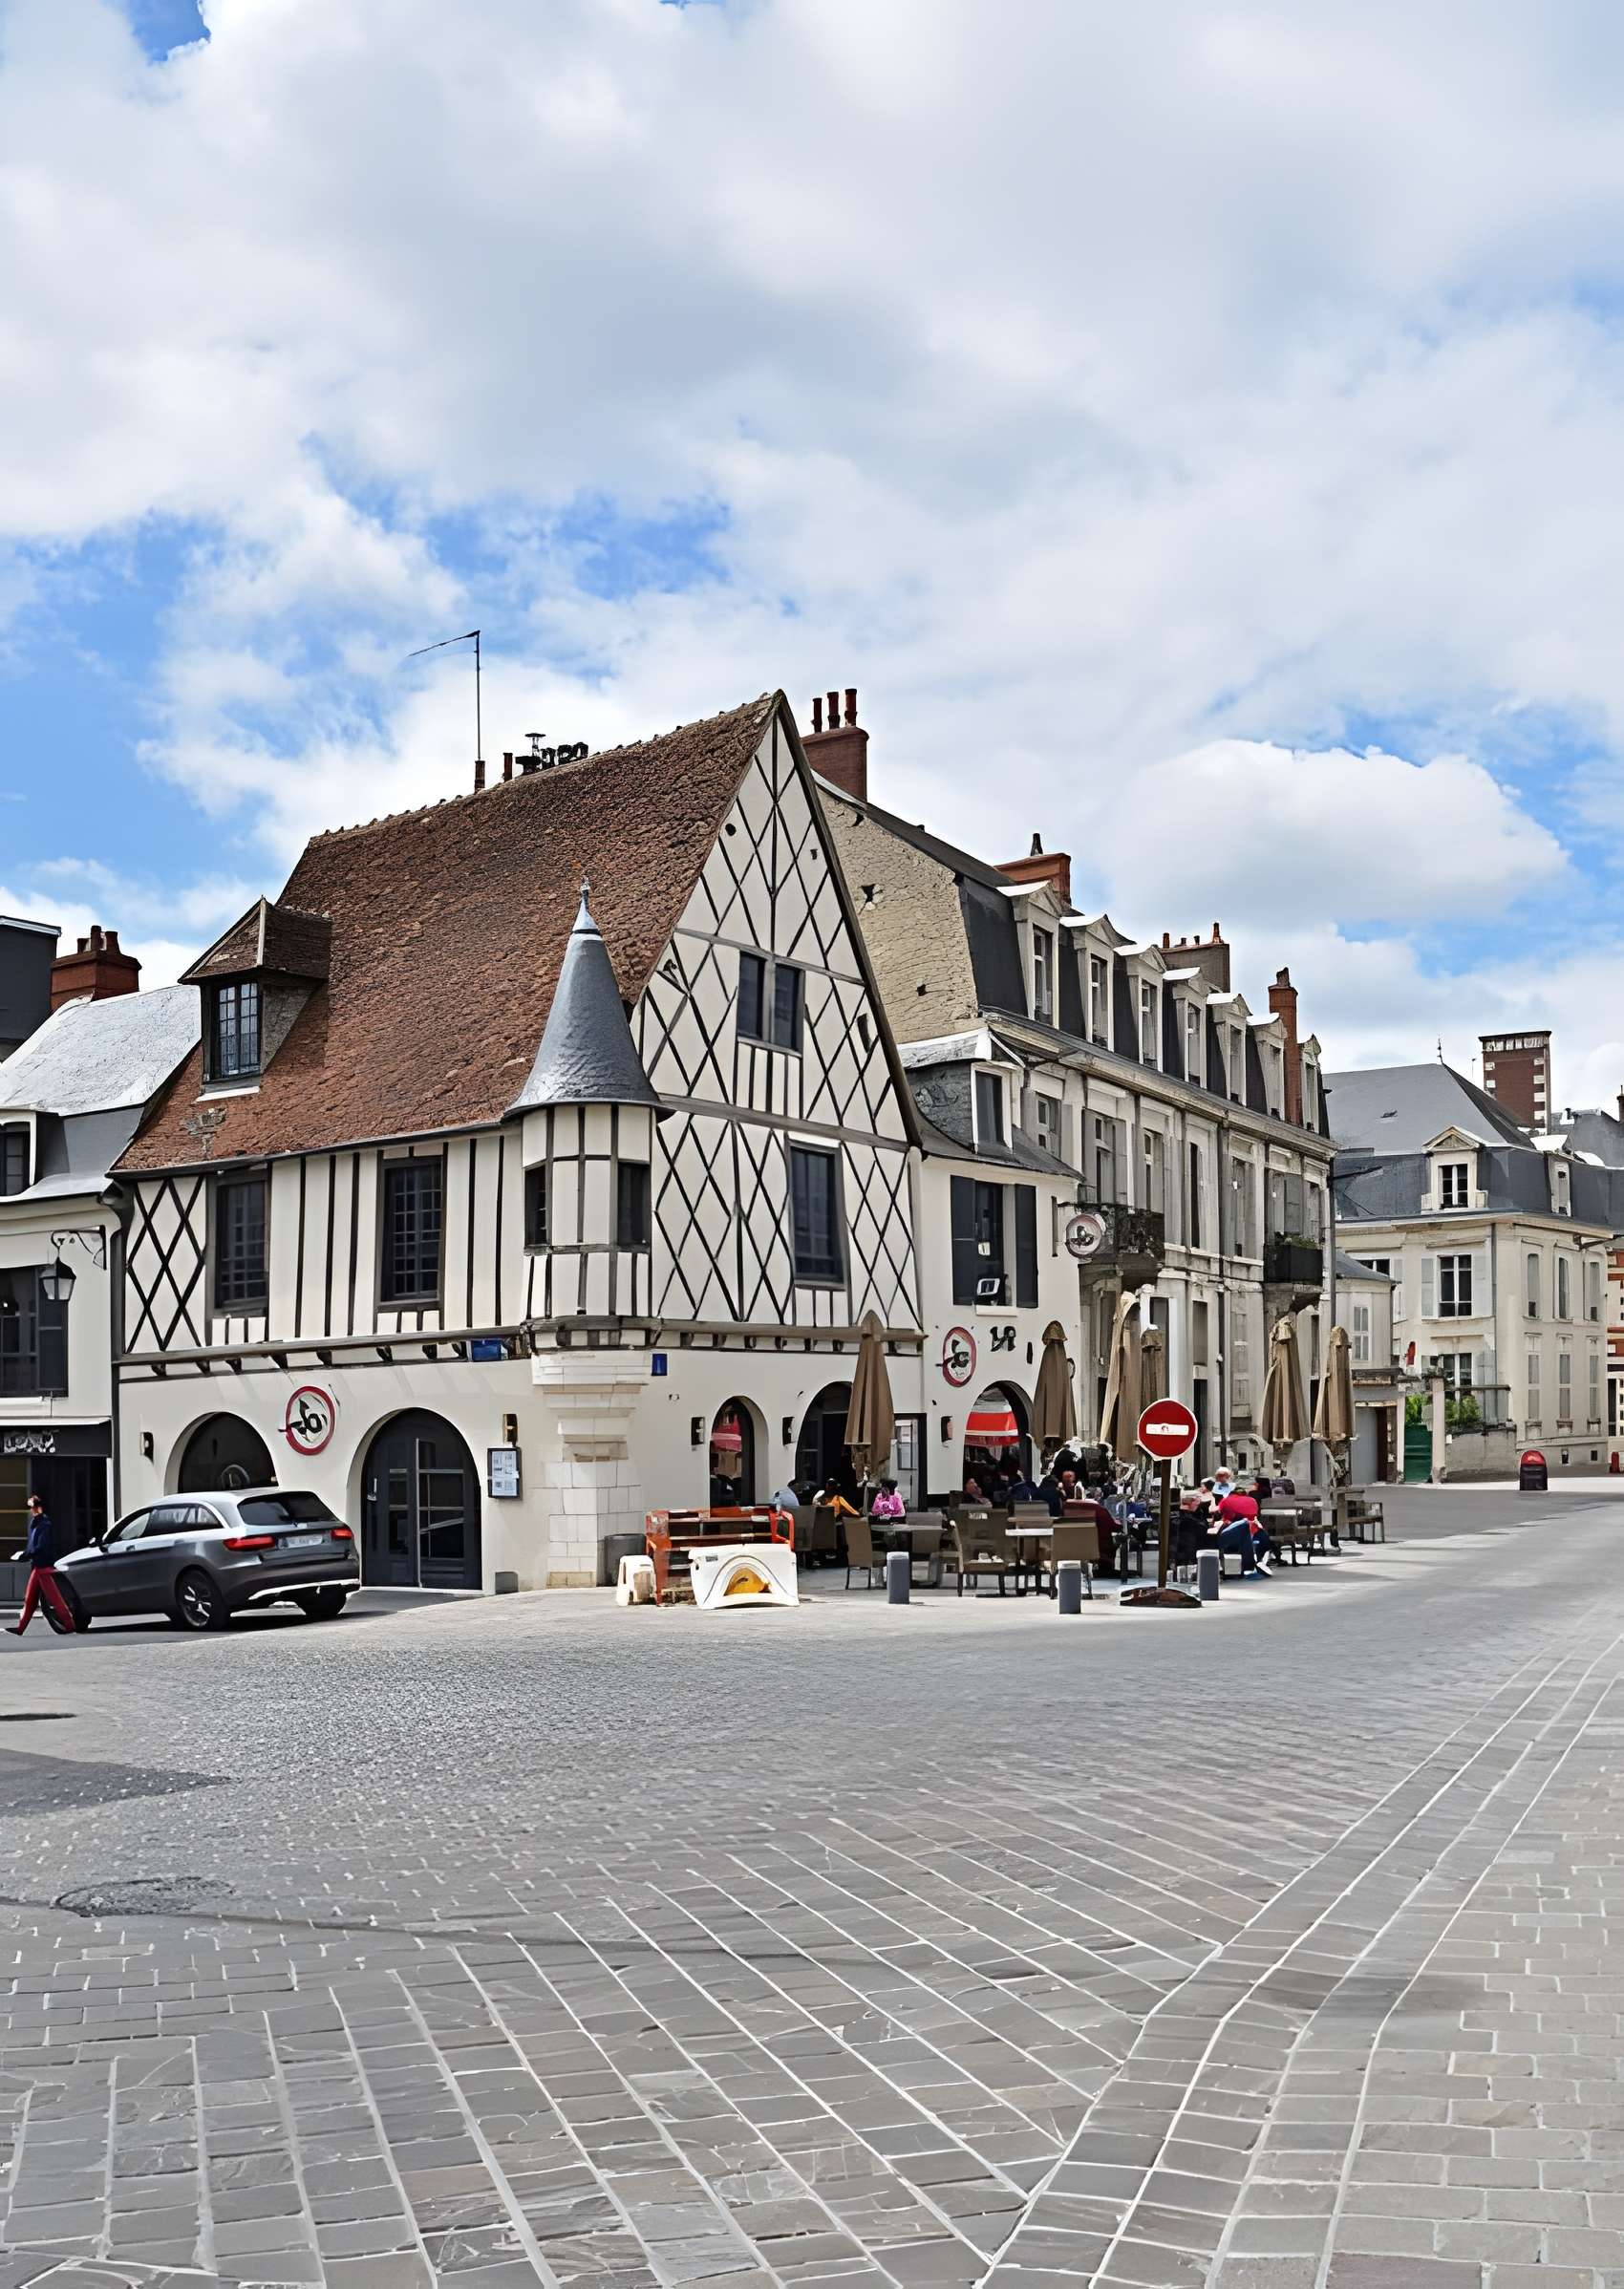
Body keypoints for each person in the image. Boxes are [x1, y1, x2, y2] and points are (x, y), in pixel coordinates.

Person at [9, 1496, 73, 1636]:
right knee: (30, 1601)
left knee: (55, 1600)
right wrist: (26, 1554)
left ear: (39, 1507)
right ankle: (20, 1629)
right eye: (30, 1507)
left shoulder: (44, 1524)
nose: (31, 1509)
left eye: (32, 1506)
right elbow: (33, 1545)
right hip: (37, 1566)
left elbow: (40, 1546)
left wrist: (26, 1555)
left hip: (44, 1567)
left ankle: (70, 1626)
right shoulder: (35, 1523)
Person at [1208, 1480, 1270, 1576]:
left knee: (1241, 1527)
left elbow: (1214, 1511)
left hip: (1236, 1534)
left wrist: (1212, 1500)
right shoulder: (1252, 1500)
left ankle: (1248, 1567)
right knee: (1245, 1532)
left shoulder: (1226, 1500)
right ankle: (1251, 1566)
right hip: (1256, 1534)